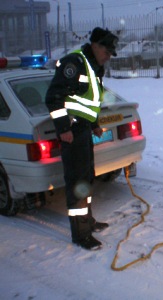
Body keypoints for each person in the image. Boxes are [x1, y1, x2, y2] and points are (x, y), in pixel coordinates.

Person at [45, 27, 119, 250]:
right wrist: (63, 127)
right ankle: (81, 234)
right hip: (73, 130)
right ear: (95, 45)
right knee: (78, 181)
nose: (108, 56)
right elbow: (54, 97)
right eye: (107, 51)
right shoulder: (74, 63)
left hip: (84, 129)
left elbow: (89, 101)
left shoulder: (95, 67)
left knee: (86, 178)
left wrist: (95, 124)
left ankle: (87, 221)